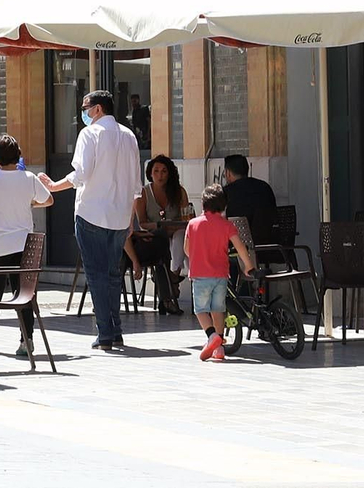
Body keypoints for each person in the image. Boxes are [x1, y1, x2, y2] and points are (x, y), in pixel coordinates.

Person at [39, 89, 144, 351]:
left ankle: (105, 332)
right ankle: (115, 330)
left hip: (91, 214)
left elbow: (81, 174)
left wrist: (54, 186)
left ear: (98, 109)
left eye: (85, 108)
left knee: (96, 274)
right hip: (120, 217)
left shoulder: (89, 134)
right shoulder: (129, 135)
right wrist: (130, 219)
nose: (83, 113)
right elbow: (136, 186)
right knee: (112, 274)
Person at [0, 135, 53, 355]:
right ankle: (26, 340)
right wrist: (29, 204)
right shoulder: (29, 178)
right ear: (18, 154)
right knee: (24, 293)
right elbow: (49, 200)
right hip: (23, 244)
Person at [185, 183, 256, 361]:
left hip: (200, 275)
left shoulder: (193, 224)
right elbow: (240, 247)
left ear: (203, 204)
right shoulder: (227, 225)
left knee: (201, 310)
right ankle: (219, 348)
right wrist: (248, 266)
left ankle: (212, 336)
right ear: (224, 206)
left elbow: (187, 249)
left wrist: (198, 256)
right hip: (221, 275)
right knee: (218, 310)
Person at [130, 154, 193, 314]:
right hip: (155, 236)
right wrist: (159, 225)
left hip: (177, 232)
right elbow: (142, 223)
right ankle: (171, 286)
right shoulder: (143, 193)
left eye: (164, 171)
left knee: (180, 236)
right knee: (163, 242)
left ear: (169, 173)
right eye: (156, 171)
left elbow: (186, 218)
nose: (160, 175)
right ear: (150, 174)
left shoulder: (179, 191)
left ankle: (173, 275)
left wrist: (171, 227)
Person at [222, 154, 278, 245]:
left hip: (240, 247)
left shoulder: (226, 192)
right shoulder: (265, 187)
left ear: (228, 173)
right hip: (271, 245)